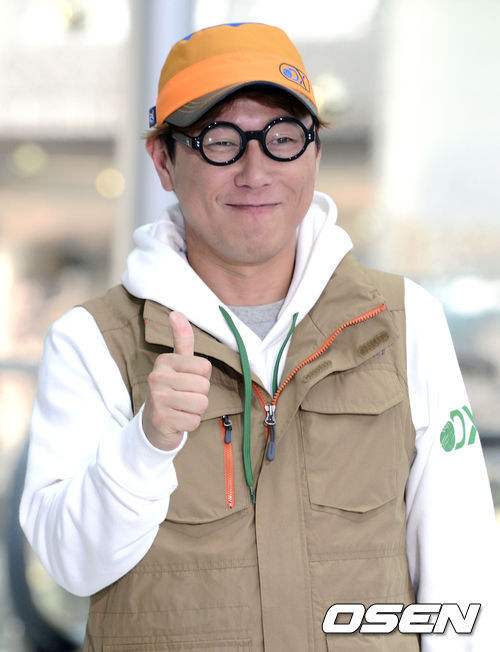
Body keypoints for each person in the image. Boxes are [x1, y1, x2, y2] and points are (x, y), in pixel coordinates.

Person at [20, 22, 497, 652]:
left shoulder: (404, 321)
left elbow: (462, 569)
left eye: (282, 138)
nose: (255, 170)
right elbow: (70, 565)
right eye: (221, 141)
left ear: (314, 153)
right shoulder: (92, 342)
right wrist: (146, 444)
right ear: (163, 160)